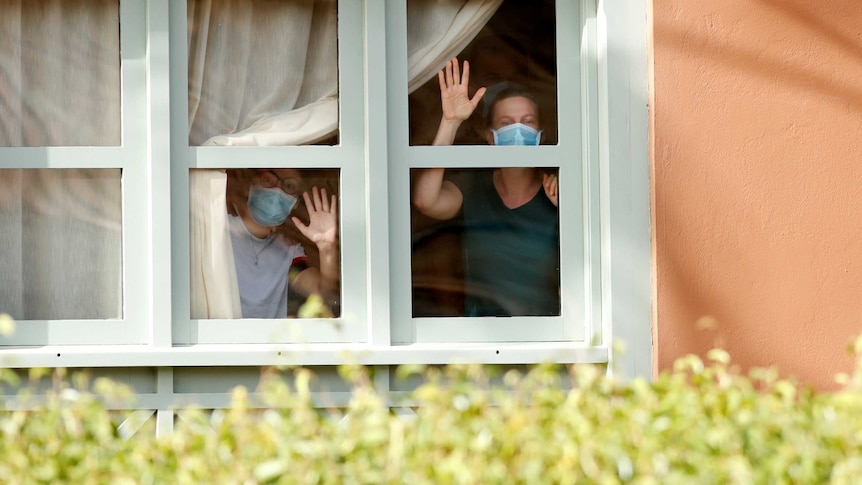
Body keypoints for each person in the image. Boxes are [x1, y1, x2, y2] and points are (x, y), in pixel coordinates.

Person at [412, 58, 560, 317]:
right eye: (506, 123)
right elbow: (426, 200)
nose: (517, 129)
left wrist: (567, 209)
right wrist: (450, 122)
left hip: (545, 338)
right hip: (482, 338)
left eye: (527, 121)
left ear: (542, 134)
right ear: (489, 137)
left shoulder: (558, 192)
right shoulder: (473, 187)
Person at [226, 168, 339, 318]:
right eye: (268, 180)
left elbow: (325, 295)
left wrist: (327, 248)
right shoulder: (217, 231)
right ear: (249, 186)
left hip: (272, 340)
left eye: (289, 186)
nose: (277, 190)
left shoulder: (288, 250)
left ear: (295, 204)